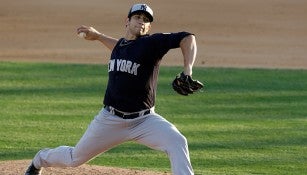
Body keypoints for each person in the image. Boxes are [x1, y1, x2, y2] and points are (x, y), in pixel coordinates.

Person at [25, 3, 202, 175]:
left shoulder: (151, 44)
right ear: (127, 21)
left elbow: (188, 37)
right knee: (74, 158)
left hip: (145, 121)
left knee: (177, 141)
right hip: (110, 120)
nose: (141, 21)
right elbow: (119, 47)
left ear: (148, 27)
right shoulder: (121, 47)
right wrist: (98, 36)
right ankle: (39, 160)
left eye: (146, 20)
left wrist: (188, 71)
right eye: (137, 17)